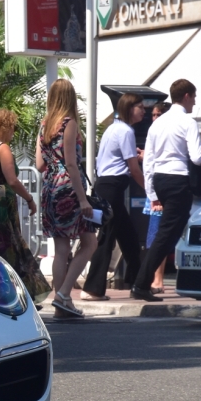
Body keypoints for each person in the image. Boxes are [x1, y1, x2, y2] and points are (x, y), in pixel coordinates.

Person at [131, 79, 201, 302]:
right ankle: (142, 283)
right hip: (178, 179)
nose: (194, 101)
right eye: (193, 97)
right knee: (168, 233)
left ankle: (144, 282)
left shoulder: (157, 124)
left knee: (169, 232)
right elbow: (197, 157)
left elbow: (149, 160)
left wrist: (152, 193)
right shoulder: (187, 122)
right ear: (186, 96)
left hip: (161, 180)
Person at [0, 109, 50, 302]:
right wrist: (30, 199)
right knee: (8, 246)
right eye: (12, 128)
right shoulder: (2, 148)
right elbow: (12, 180)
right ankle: (14, 293)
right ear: (5, 127)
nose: (13, 132)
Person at [37, 78, 97, 318]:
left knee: (61, 249)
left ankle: (63, 303)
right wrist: (83, 200)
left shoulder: (44, 126)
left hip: (50, 187)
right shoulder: (68, 124)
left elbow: (39, 164)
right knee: (90, 242)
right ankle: (64, 294)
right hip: (69, 188)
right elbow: (72, 163)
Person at [80, 93, 146, 301]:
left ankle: (139, 283)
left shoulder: (112, 128)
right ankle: (92, 288)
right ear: (129, 108)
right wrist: (149, 189)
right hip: (113, 186)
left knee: (128, 237)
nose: (143, 111)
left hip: (107, 184)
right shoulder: (126, 131)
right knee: (107, 237)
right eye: (140, 107)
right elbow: (134, 169)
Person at [144, 102, 171, 294]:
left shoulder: (168, 134)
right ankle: (155, 278)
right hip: (154, 193)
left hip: (162, 192)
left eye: (159, 115)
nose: (155, 119)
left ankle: (158, 280)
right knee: (154, 236)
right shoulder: (154, 134)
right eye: (153, 115)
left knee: (159, 236)